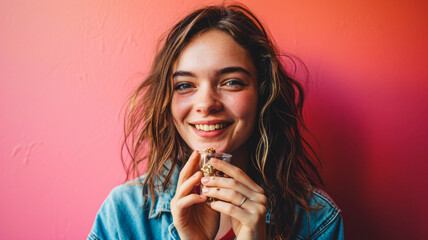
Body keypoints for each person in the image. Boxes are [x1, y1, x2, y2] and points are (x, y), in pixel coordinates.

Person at [88, 4, 344, 240]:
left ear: (262, 94)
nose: (206, 103)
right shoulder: (123, 216)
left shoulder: (317, 221)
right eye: (185, 85)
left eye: (231, 82)